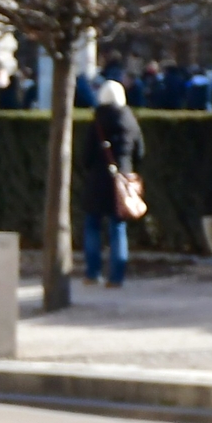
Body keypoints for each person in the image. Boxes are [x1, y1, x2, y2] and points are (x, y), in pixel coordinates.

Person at [83, 78, 143, 290]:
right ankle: (116, 277)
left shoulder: (97, 121)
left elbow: (87, 155)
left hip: (98, 179)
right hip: (123, 180)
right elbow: (140, 152)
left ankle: (93, 272)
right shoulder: (130, 120)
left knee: (92, 225)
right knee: (118, 227)